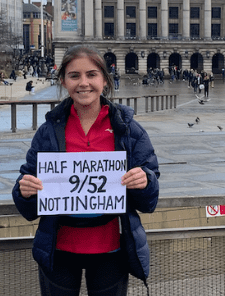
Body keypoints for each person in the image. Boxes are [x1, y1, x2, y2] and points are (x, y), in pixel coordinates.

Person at [12, 45, 159, 296]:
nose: (84, 83)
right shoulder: (48, 132)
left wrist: (145, 181)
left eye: (91, 75)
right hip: (58, 251)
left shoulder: (129, 130)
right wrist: (25, 191)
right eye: (74, 75)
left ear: (104, 79)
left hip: (111, 250)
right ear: (63, 81)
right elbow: (27, 201)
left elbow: (150, 201)